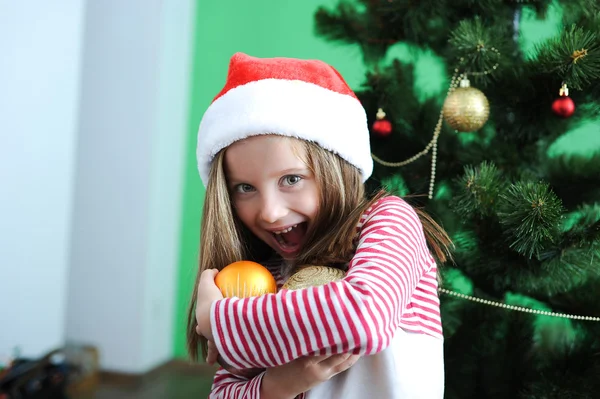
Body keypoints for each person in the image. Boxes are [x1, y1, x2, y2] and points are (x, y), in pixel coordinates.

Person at [188, 52, 452, 398]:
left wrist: (216, 319)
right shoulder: (260, 276)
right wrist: (280, 384)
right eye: (245, 188)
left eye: (291, 179)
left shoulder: (389, 220)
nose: (269, 212)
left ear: (336, 168)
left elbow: (363, 317)